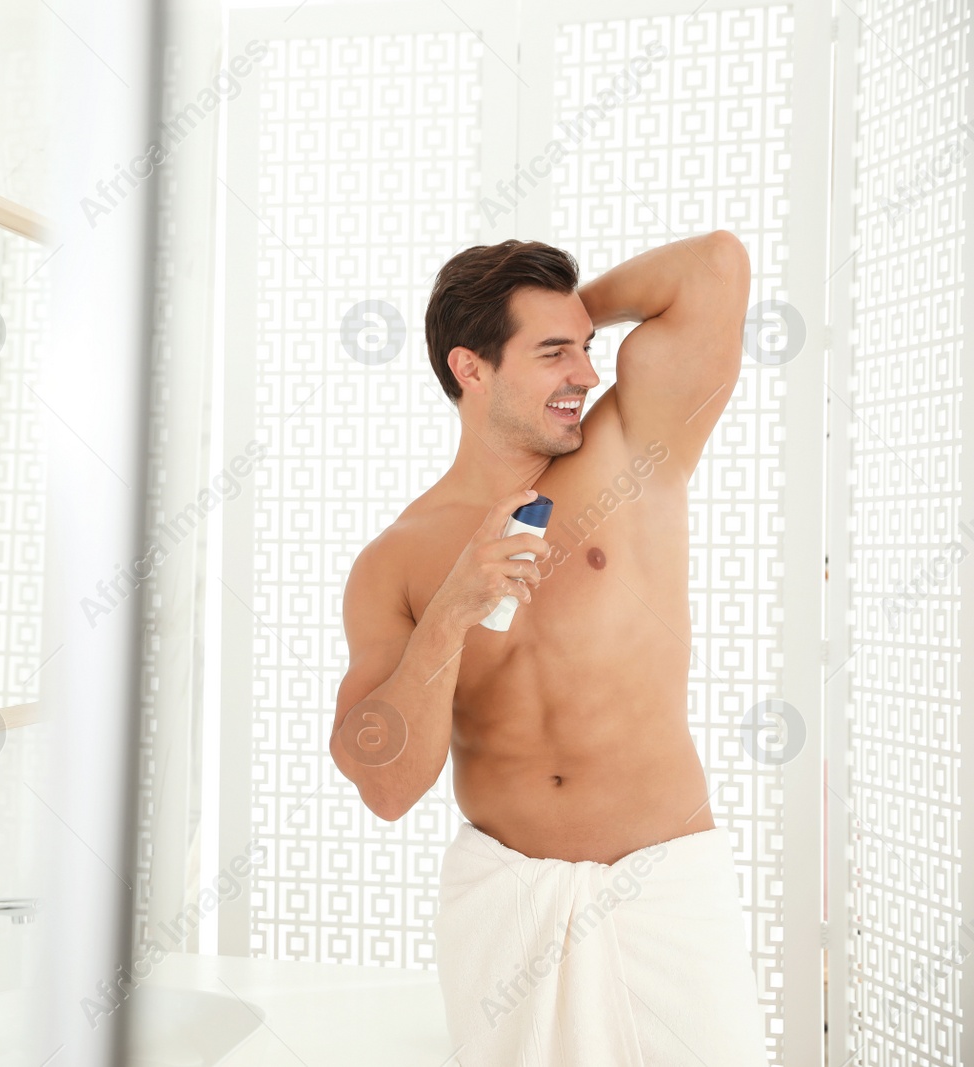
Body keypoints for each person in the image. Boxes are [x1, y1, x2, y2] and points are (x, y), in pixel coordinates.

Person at [330, 231, 768, 1064]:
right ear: (470, 367)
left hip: (663, 896)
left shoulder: (634, 447)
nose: (588, 373)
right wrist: (452, 609)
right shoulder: (397, 560)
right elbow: (384, 783)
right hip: (509, 915)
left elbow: (715, 265)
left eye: (589, 348)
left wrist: (571, 313)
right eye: (554, 353)